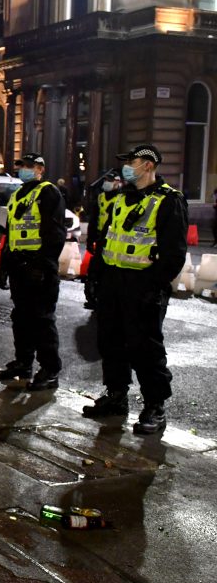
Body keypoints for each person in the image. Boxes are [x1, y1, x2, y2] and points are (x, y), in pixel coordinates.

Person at [83, 145, 188, 435]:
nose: (127, 166)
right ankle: (116, 396)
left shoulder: (169, 201)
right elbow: (106, 240)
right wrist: (94, 276)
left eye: (132, 161)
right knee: (111, 342)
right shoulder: (120, 198)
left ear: (149, 166)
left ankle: (155, 406)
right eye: (126, 161)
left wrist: (153, 286)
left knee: (145, 347)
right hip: (113, 282)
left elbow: (174, 254)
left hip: (142, 285)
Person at [0, 153, 66, 391]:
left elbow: (55, 235)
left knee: (42, 321)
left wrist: (42, 266)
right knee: (21, 318)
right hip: (18, 266)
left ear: (40, 169)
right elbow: (11, 234)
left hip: (39, 269)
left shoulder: (48, 192)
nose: (22, 170)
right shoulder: (17, 196)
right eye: (21, 166)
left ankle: (49, 370)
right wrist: (4, 266)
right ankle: (23, 363)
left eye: (28, 166)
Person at [83, 169, 122, 310]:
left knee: (108, 272)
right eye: (106, 180)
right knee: (94, 270)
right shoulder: (100, 198)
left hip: (113, 241)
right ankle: (93, 298)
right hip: (100, 239)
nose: (106, 183)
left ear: (117, 182)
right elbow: (94, 220)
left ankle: (106, 300)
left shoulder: (121, 199)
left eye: (110, 181)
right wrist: (90, 239)